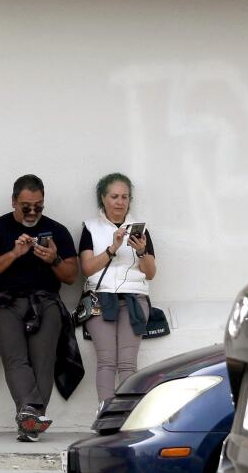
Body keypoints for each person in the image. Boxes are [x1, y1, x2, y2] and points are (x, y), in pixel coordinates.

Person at [0, 174, 80, 442]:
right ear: (13, 202)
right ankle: (31, 416)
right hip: (5, 302)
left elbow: (70, 276)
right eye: (26, 206)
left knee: (43, 361)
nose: (33, 211)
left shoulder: (57, 230)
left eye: (38, 206)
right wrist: (13, 254)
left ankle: (28, 420)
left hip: (46, 301)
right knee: (15, 358)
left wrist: (54, 259)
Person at [76, 174, 158, 406]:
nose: (120, 202)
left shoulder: (141, 229)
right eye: (114, 197)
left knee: (127, 364)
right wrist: (113, 248)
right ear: (103, 199)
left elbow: (150, 273)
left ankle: (126, 417)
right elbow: (88, 268)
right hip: (100, 299)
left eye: (125, 197)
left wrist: (141, 252)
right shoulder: (91, 228)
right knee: (107, 361)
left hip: (134, 298)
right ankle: (105, 415)